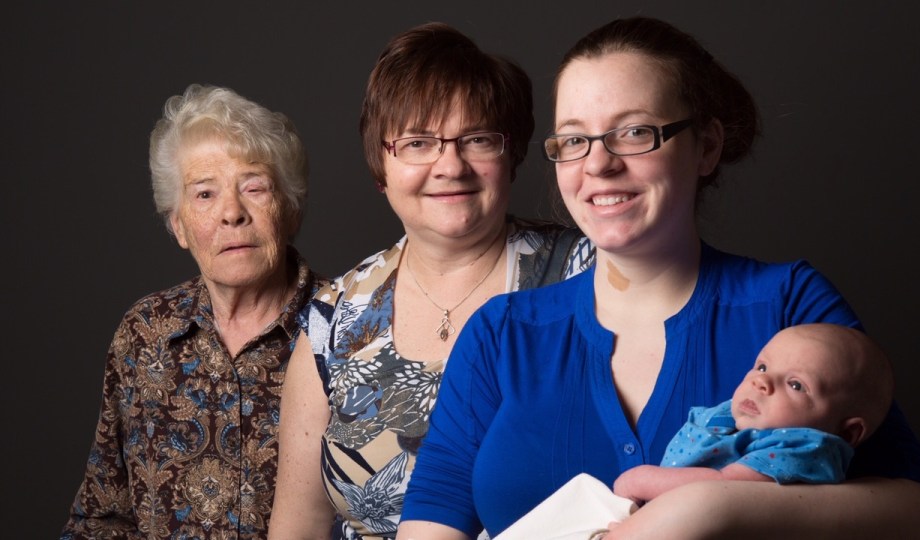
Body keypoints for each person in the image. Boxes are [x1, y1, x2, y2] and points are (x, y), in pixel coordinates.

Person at [398, 16, 920, 540]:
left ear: (706, 145)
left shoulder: (788, 304)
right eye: (573, 140)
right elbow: (430, 524)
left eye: (634, 133)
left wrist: (714, 506)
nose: (598, 165)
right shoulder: (501, 336)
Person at [268, 23, 591, 539]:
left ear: (510, 156)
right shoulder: (335, 319)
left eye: (477, 139)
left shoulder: (585, 273)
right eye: (418, 142)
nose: (450, 165)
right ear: (382, 164)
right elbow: (299, 526)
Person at [61, 84, 325, 538]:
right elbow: (101, 516)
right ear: (178, 225)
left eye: (255, 187)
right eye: (204, 194)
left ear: (290, 210)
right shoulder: (145, 333)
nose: (231, 213)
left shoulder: (347, 330)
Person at [613, 323, 894, 504]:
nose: (761, 382)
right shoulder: (734, 421)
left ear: (846, 433)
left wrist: (641, 480)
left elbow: (725, 489)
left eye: (795, 384)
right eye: (762, 367)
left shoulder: (804, 448)